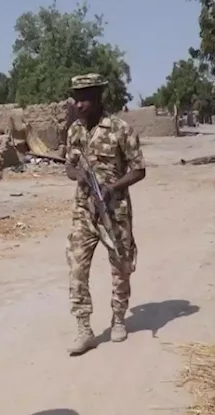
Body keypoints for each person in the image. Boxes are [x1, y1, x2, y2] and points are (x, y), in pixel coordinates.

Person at [64, 73, 146, 355]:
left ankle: (119, 318)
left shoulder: (121, 129)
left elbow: (139, 169)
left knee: (120, 266)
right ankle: (84, 328)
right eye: (76, 98)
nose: (79, 104)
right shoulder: (74, 130)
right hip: (84, 210)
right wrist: (81, 177)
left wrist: (113, 187)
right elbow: (69, 166)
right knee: (76, 267)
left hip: (115, 211)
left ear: (98, 98)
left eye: (85, 98)